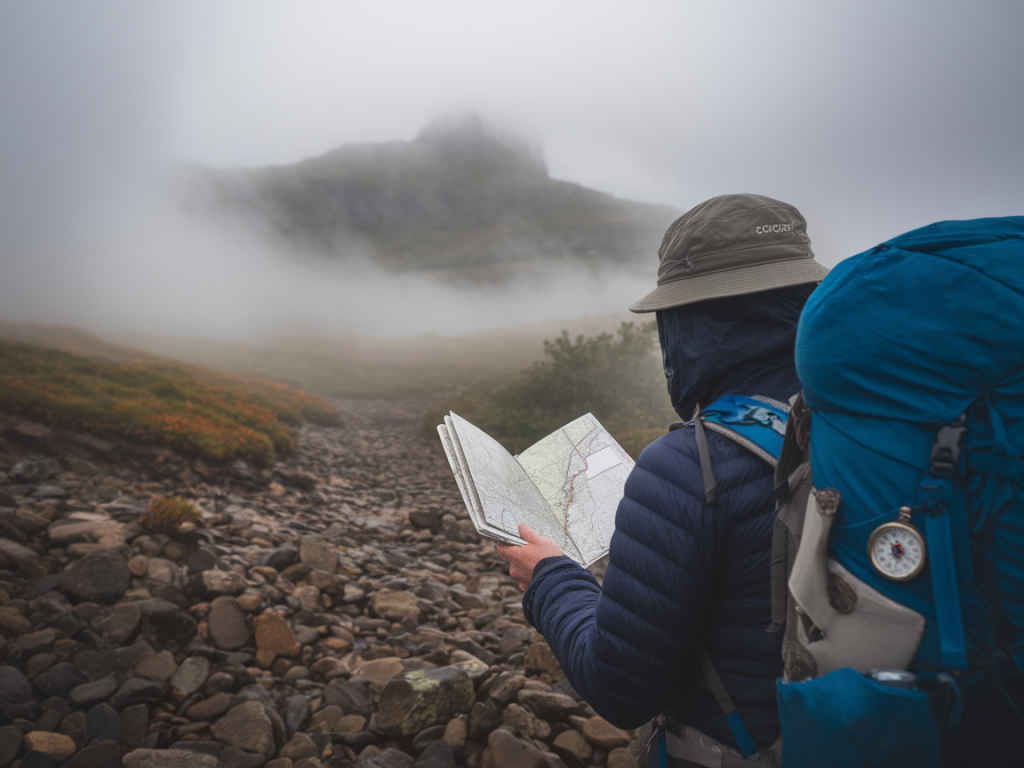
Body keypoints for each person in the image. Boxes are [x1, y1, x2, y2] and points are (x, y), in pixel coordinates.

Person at [498, 193, 829, 763]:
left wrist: (551, 578)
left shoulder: (690, 465)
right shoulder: (880, 422)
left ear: (688, 318)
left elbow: (620, 688)